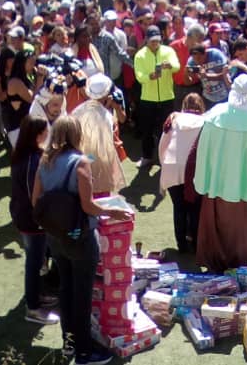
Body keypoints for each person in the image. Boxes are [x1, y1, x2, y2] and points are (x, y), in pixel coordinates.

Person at [31, 116, 130, 365]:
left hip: (55, 238)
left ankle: (69, 344)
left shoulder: (45, 162)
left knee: (65, 290)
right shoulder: (81, 162)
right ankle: (85, 352)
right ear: (77, 134)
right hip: (81, 238)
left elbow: (36, 202)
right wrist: (114, 211)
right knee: (82, 295)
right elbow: (88, 206)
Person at [192, 75, 247, 273]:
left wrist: (204, 176)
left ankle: (215, 260)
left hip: (216, 182)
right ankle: (237, 260)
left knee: (215, 221)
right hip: (242, 186)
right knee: (239, 227)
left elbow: (204, 149)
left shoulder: (217, 114)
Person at [9, 117, 58, 325]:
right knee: (34, 262)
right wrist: (44, 217)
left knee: (36, 260)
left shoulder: (22, 155)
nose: (48, 134)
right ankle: (33, 308)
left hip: (24, 216)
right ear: (38, 134)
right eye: (46, 131)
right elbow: (34, 195)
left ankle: (37, 296)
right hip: (32, 220)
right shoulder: (33, 160)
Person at [158, 93, 205, 253]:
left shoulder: (174, 119)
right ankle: (195, 243)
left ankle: (181, 245)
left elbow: (162, 145)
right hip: (195, 169)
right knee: (194, 208)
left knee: (179, 207)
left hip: (172, 166)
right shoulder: (206, 121)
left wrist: (164, 164)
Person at [69, 74, 127, 196]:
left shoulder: (78, 110)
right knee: (101, 196)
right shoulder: (105, 116)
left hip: (83, 157)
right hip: (100, 158)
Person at [133, 26, 180, 167]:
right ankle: (147, 157)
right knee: (147, 129)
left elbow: (177, 66)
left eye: (157, 40)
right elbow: (139, 77)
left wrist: (169, 65)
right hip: (148, 98)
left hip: (167, 96)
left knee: (167, 129)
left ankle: (166, 156)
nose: (155, 43)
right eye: (152, 41)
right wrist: (150, 76)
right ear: (146, 40)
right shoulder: (140, 55)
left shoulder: (168, 51)